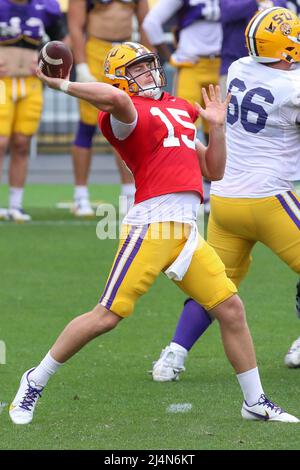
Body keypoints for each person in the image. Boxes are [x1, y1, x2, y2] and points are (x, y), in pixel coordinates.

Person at [9, 41, 299, 425]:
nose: (147, 74)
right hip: (150, 227)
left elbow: (214, 171)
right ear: (120, 79)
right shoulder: (125, 112)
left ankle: (254, 401)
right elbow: (113, 99)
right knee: (106, 316)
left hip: (185, 230)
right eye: (136, 70)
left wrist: (216, 128)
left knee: (231, 308)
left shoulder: (179, 108)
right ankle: (35, 379)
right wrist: (61, 85)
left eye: (149, 66)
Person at [151, 6, 300, 382]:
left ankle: (173, 354)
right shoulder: (293, 89)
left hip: (226, 200)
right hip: (269, 199)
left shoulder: (238, 69)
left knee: (214, 284)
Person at [68, 0, 150, 217]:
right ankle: (80, 195)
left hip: (128, 51)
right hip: (96, 49)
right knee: (87, 124)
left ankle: (130, 194)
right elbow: (75, 25)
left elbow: (145, 22)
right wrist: (81, 64)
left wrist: (145, 59)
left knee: (127, 125)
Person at [143, 0, 222, 214]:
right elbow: (151, 22)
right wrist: (169, 57)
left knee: (216, 128)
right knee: (185, 128)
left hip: (218, 64)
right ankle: (195, 188)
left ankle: (213, 189)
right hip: (194, 64)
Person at [0, 0, 67, 222]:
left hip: (30, 82)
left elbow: (62, 41)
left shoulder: (46, 7)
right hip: (2, 82)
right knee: (0, 142)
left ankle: (16, 204)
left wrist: (49, 64)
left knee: (21, 142)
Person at [219, 0, 287, 98]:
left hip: (271, 69)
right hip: (235, 67)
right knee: (228, 110)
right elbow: (228, 12)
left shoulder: (278, 2)